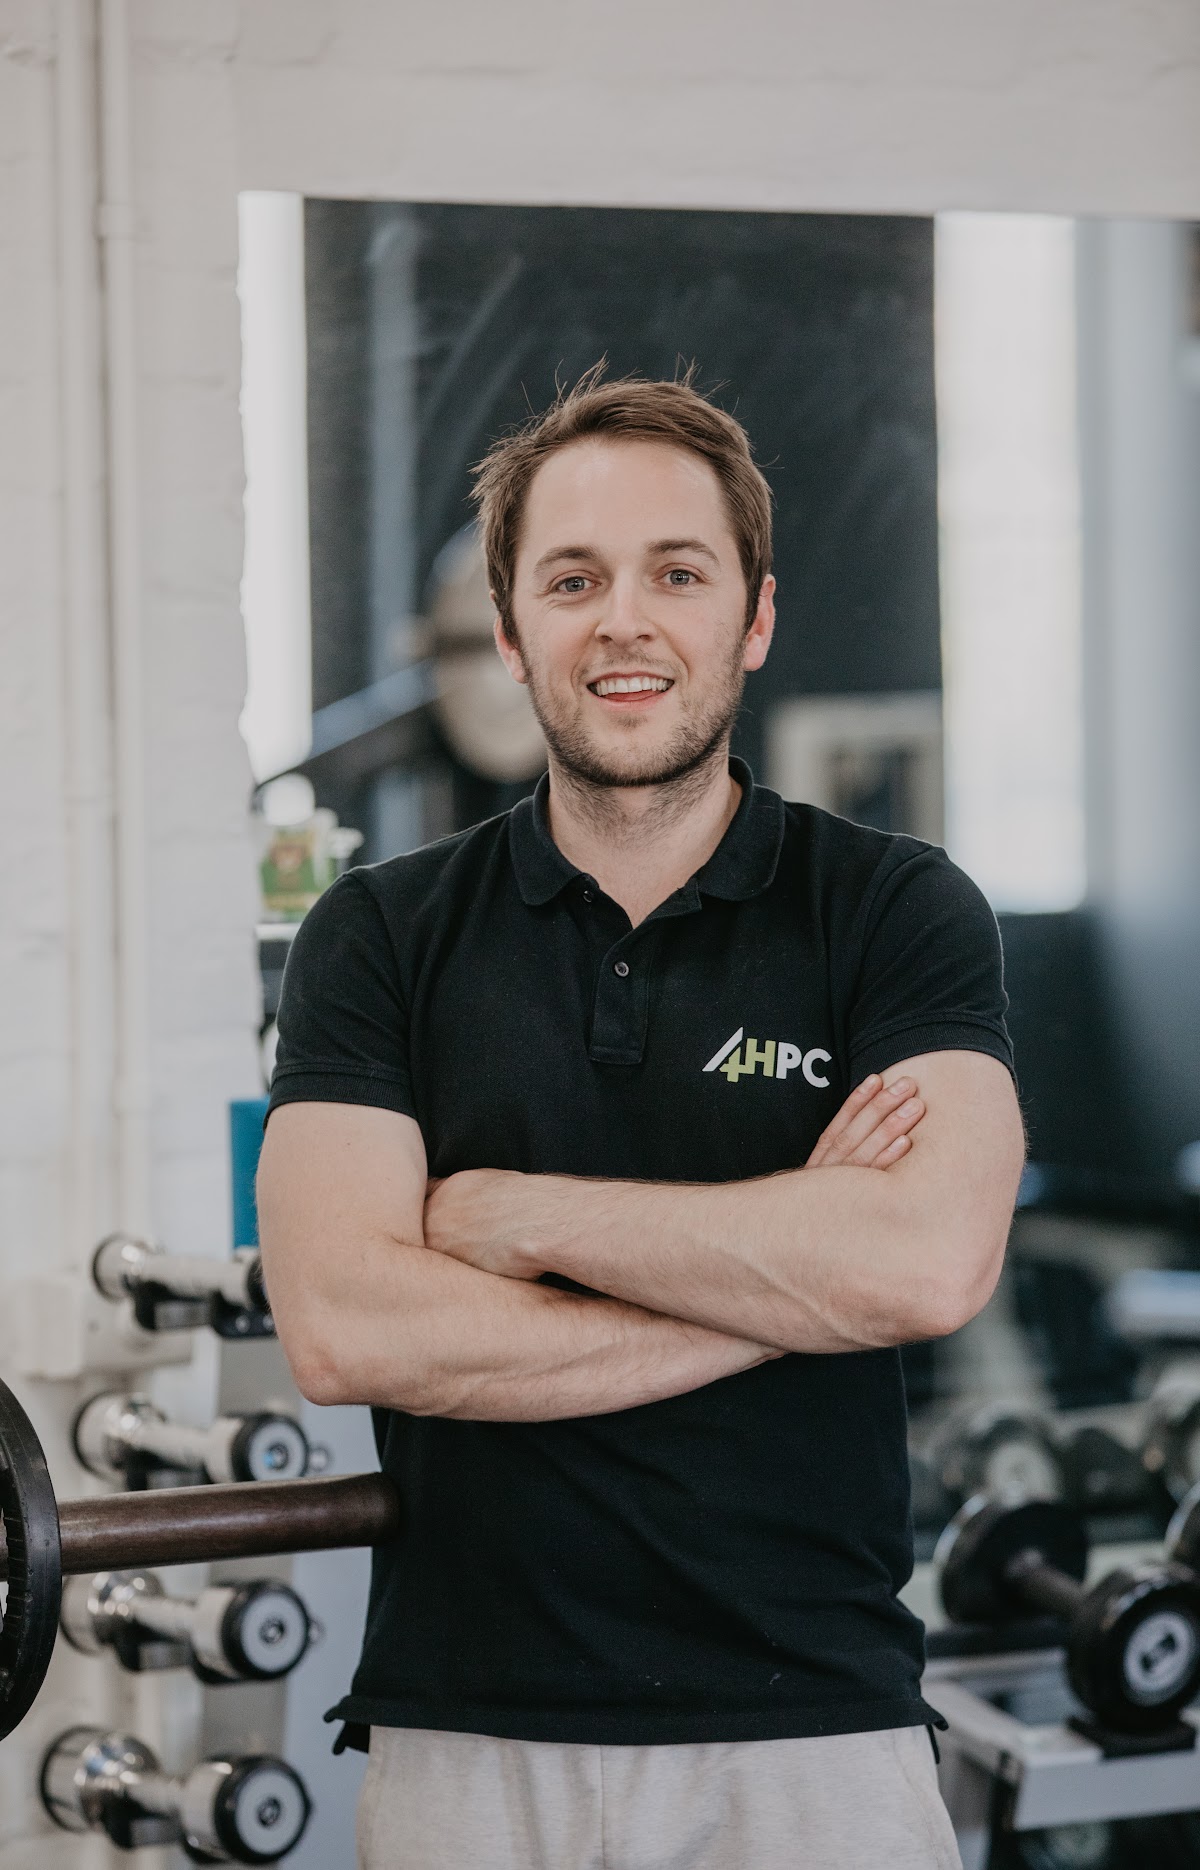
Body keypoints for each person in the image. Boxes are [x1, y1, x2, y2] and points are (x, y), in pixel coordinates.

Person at [257, 366, 1025, 1870]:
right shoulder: (380, 934)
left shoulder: (894, 910)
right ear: (508, 627)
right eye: (573, 578)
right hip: (469, 1744)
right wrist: (792, 1285)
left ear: (753, 617)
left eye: (678, 573)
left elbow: (925, 1268)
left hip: (820, 1745)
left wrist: (512, 1216)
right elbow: (348, 1324)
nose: (625, 620)